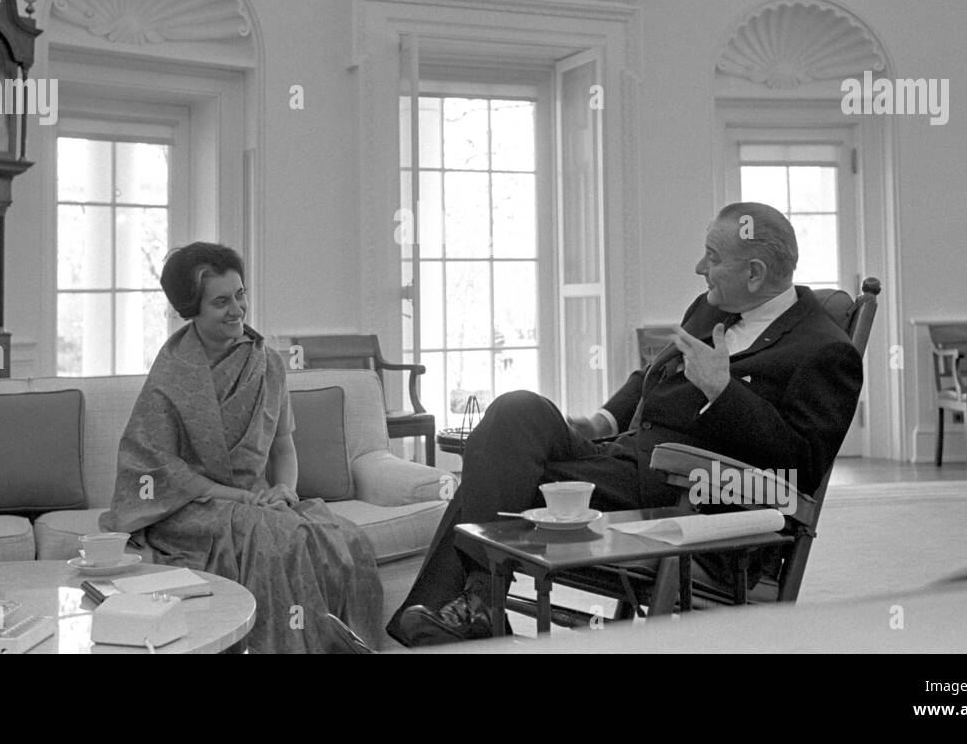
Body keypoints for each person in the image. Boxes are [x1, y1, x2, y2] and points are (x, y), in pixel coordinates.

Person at [389, 202, 864, 646]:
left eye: (712, 257)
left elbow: (799, 468)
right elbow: (651, 374)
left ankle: (463, 612)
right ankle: (474, 605)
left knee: (502, 475)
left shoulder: (824, 351)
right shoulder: (710, 307)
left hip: (690, 496)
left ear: (755, 274)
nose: (700, 268)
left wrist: (725, 392)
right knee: (517, 411)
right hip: (625, 459)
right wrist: (604, 417)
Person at [101, 242, 382, 653]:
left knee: (344, 537)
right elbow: (162, 472)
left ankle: (345, 642)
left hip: (258, 501)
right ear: (191, 309)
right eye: (220, 301)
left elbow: (283, 445)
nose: (236, 309)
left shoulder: (267, 363)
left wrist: (284, 490)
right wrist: (245, 498)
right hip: (189, 509)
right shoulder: (172, 375)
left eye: (241, 294)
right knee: (273, 540)